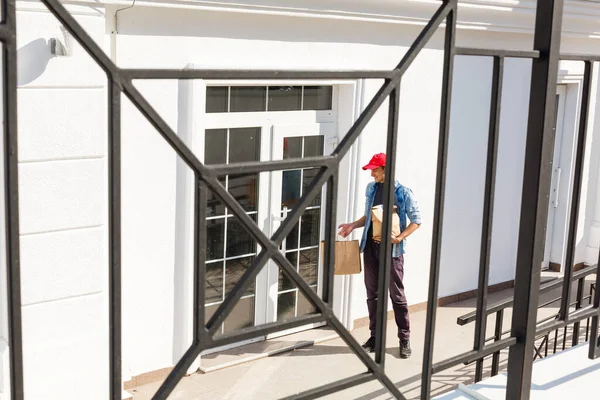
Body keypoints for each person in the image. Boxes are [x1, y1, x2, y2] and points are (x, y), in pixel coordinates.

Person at [338, 153, 422, 359]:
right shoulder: (372, 189)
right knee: (372, 295)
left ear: (386, 169)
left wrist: (400, 237)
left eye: (375, 169)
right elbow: (370, 216)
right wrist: (352, 225)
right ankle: (375, 337)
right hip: (371, 248)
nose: (372, 173)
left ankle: (404, 338)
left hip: (392, 252)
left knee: (397, 296)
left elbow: (417, 220)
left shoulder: (402, 193)